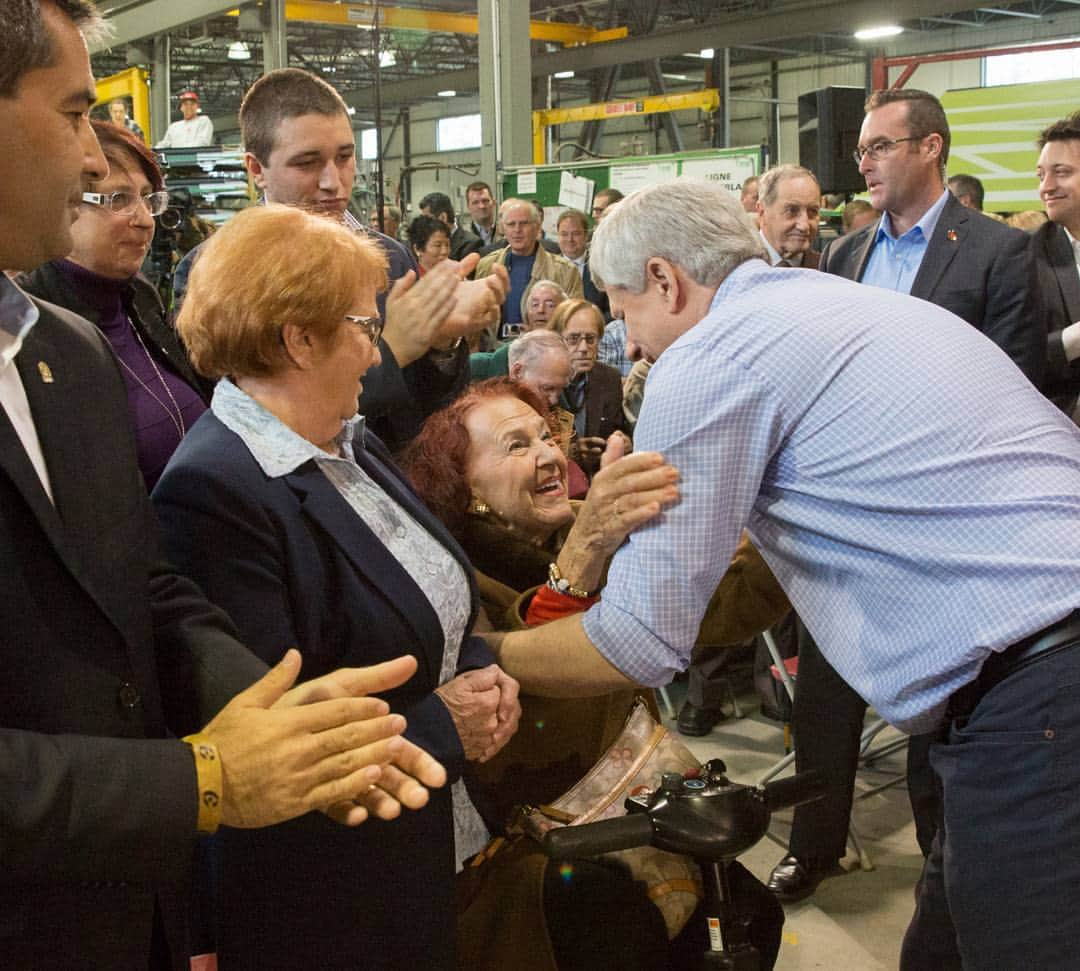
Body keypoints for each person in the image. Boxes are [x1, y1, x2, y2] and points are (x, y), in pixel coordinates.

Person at [484, 177, 1080, 971]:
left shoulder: (707, 358)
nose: (635, 341)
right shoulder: (845, 304)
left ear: (665, 279)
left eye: (625, 312)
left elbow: (639, 641)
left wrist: (486, 653)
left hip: (1038, 704)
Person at [0, 3, 444, 966]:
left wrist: (284, 720)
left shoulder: (64, 353)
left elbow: (140, 591)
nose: (93, 162)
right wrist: (201, 780)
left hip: (127, 913)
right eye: (75, 113)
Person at [152, 203, 520, 969]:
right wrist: (447, 724)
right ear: (298, 337)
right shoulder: (216, 491)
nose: (376, 352)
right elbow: (276, 730)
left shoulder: (346, 440)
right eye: (362, 326)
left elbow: (430, 601)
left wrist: (480, 667)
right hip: (330, 896)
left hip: (415, 853)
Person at [775, 88, 1047, 903]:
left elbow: (1015, 382)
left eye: (881, 146)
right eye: (862, 150)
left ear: (930, 149)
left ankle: (943, 855)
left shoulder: (996, 251)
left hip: (941, 513)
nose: (864, 162)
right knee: (825, 691)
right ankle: (815, 841)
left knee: (941, 695)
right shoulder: (844, 256)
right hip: (849, 512)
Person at [178, 67, 507, 451]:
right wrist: (392, 349)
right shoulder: (216, 272)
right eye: (307, 162)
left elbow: (429, 407)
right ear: (256, 169)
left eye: (345, 157)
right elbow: (256, 424)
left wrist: (442, 344)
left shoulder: (390, 257)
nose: (333, 182)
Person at [19, 120, 208, 490]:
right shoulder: (31, 326)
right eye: (119, 199)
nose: (143, 220)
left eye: (148, 198)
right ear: (67, 204)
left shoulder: (139, 298)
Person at [475, 198, 582, 344]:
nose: (517, 230)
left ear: (537, 228)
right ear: (503, 229)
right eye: (511, 224)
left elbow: (576, 321)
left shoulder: (565, 271)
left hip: (546, 350)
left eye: (524, 223)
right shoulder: (486, 266)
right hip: (494, 352)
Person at [1033, 110, 1080, 423]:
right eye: (1041, 175)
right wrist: (1073, 340)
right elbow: (1014, 357)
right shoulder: (1025, 256)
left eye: (1061, 172)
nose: (1046, 187)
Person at [549, 298, 627, 477]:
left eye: (590, 339)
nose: (584, 348)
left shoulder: (609, 378)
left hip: (598, 478)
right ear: (557, 339)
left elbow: (618, 427)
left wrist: (625, 441)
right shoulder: (542, 379)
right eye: (574, 339)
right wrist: (571, 452)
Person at [468, 279, 569, 380]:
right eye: (535, 304)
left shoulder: (572, 352)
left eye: (550, 305)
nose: (540, 310)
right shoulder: (505, 355)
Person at [756, 164, 821, 268]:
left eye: (812, 211)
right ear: (762, 212)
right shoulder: (731, 268)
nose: (804, 226)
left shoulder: (830, 271)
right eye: (792, 211)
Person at [419, 190, 483, 261]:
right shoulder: (427, 243)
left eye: (428, 220)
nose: (424, 225)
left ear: (443, 217)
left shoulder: (470, 243)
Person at [465, 179, 500, 246]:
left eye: (485, 201)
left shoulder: (507, 233)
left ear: (493, 203)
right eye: (475, 202)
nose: (481, 206)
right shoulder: (462, 237)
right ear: (468, 207)